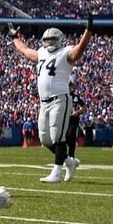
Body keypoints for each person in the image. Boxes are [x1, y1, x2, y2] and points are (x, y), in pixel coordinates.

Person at [10, 16, 92, 182]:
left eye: (53, 39)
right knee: (45, 139)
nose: (50, 43)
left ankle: (56, 173)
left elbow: (80, 49)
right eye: (47, 40)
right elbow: (25, 51)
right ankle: (69, 161)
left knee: (57, 136)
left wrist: (88, 31)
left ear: (60, 40)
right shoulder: (41, 53)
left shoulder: (65, 52)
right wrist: (14, 38)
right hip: (43, 102)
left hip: (60, 98)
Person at [66, 84, 85, 180]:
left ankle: (71, 159)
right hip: (63, 121)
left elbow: (84, 108)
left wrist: (77, 112)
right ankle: (73, 161)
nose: (69, 87)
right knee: (61, 141)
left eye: (70, 86)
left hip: (73, 121)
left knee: (70, 137)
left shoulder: (76, 97)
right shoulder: (62, 96)